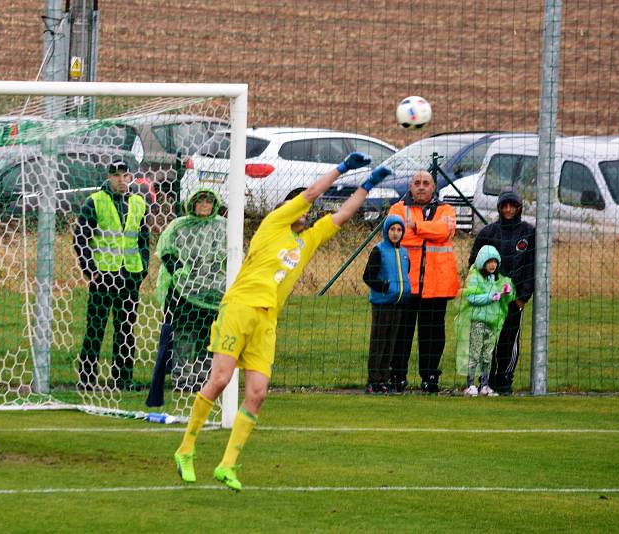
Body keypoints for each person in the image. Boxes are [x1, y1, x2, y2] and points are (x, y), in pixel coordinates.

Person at [173, 151, 391, 491]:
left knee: (257, 394)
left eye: (307, 211)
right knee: (219, 380)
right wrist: (342, 168)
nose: (307, 212)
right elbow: (311, 194)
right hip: (240, 308)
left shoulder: (307, 242)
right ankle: (186, 449)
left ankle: (227, 465)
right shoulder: (273, 223)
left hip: (267, 320)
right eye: (301, 207)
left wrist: (366, 185)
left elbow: (343, 215)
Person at [73, 159, 150, 391]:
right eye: (116, 175)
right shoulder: (94, 202)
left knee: (125, 329)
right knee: (95, 328)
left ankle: (123, 379)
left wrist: (143, 267)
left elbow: (143, 238)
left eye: (124, 174)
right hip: (103, 275)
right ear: (109, 177)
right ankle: (87, 379)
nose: (120, 179)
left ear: (130, 177)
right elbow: (80, 239)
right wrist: (90, 270)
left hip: (129, 274)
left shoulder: (139, 203)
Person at [146, 188, 227, 406]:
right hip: (182, 291)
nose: (204, 205)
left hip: (212, 292)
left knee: (207, 333)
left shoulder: (222, 226)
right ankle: (182, 375)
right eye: (200, 201)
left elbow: (231, 254)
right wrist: (178, 270)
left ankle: (202, 374)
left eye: (208, 202)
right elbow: (166, 251)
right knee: (182, 331)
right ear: (192, 204)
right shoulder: (179, 226)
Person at [387, 170, 460, 393]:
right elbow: (397, 234)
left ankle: (430, 377)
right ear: (410, 186)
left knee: (433, 335)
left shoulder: (446, 209)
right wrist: (428, 231)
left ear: (434, 187)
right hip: (406, 283)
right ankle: (397, 376)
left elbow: (445, 232)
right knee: (401, 333)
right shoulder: (398, 209)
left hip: (437, 284)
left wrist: (417, 227)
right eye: (416, 183)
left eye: (425, 183)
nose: (421, 186)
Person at [468, 190, 535, 395]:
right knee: (487, 339)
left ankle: (504, 378)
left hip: (513, 301)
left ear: (519, 208)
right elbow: (474, 263)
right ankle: (484, 379)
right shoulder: (488, 233)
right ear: (499, 208)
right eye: (504, 206)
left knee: (509, 339)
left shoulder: (528, 233)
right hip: (490, 300)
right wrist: (484, 290)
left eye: (512, 206)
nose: (508, 210)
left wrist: (522, 297)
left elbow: (532, 267)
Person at [454, 245, 515, 396]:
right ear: (482, 262)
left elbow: (505, 298)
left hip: (492, 322)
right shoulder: (474, 277)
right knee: (475, 352)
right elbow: (472, 297)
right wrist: (490, 297)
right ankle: (470, 384)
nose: (492, 264)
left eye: (495, 261)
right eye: (489, 261)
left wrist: (507, 292)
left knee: (487, 354)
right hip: (478, 321)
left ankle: (485, 384)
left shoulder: (498, 279)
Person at [362, 214, 410, 394]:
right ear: (386, 231)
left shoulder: (404, 253)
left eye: (399, 230)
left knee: (390, 343)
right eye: (392, 230)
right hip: (382, 303)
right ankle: (373, 380)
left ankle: (383, 378)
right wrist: (384, 287)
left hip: (398, 303)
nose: (396, 233)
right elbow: (368, 276)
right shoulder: (379, 250)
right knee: (379, 342)